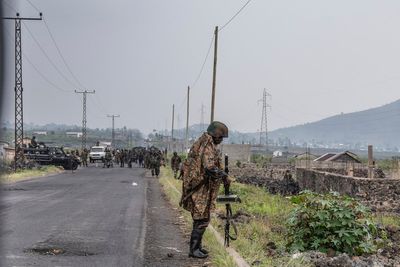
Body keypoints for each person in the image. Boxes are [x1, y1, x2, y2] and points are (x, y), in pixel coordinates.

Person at [180, 121, 229, 259]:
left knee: (202, 217)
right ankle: (194, 249)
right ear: (216, 135)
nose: (221, 140)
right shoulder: (207, 145)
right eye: (220, 137)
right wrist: (224, 175)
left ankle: (197, 247)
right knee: (201, 218)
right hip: (199, 187)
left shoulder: (204, 142)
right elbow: (209, 168)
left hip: (199, 186)